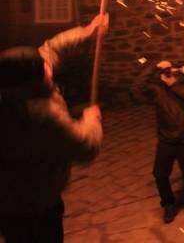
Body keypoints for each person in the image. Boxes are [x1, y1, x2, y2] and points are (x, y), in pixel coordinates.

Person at [0, 15, 106, 243]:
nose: (48, 63)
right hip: (34, 205)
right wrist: (91, 120)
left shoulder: (16, 83)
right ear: (34, 78)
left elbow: (53, 47)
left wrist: (89, 31)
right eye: (44, 67)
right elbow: (85, 147)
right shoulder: (40, 115)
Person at [145, 60, 184, 223]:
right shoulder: (158, 89)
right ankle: (168, 204)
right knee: (159, 174)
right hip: (166, 140)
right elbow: (136, 88)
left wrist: (174, 83)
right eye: (166, 71)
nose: (169, 73)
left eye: (171, 70)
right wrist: (154, 67)